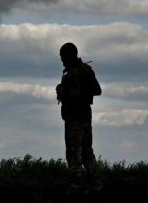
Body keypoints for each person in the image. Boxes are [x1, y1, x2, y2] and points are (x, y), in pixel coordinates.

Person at [56, 42, 103, 192]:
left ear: (68, 56)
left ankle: (76, 185)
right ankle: (95, 183)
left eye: (63, 57)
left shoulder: (72, 73)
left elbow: (74, 95)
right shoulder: (87, 70)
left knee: (73, 152)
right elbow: (97, 90)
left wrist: (62, 91)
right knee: (87, 152)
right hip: (85, 117)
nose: (62, 61)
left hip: (74, 117)